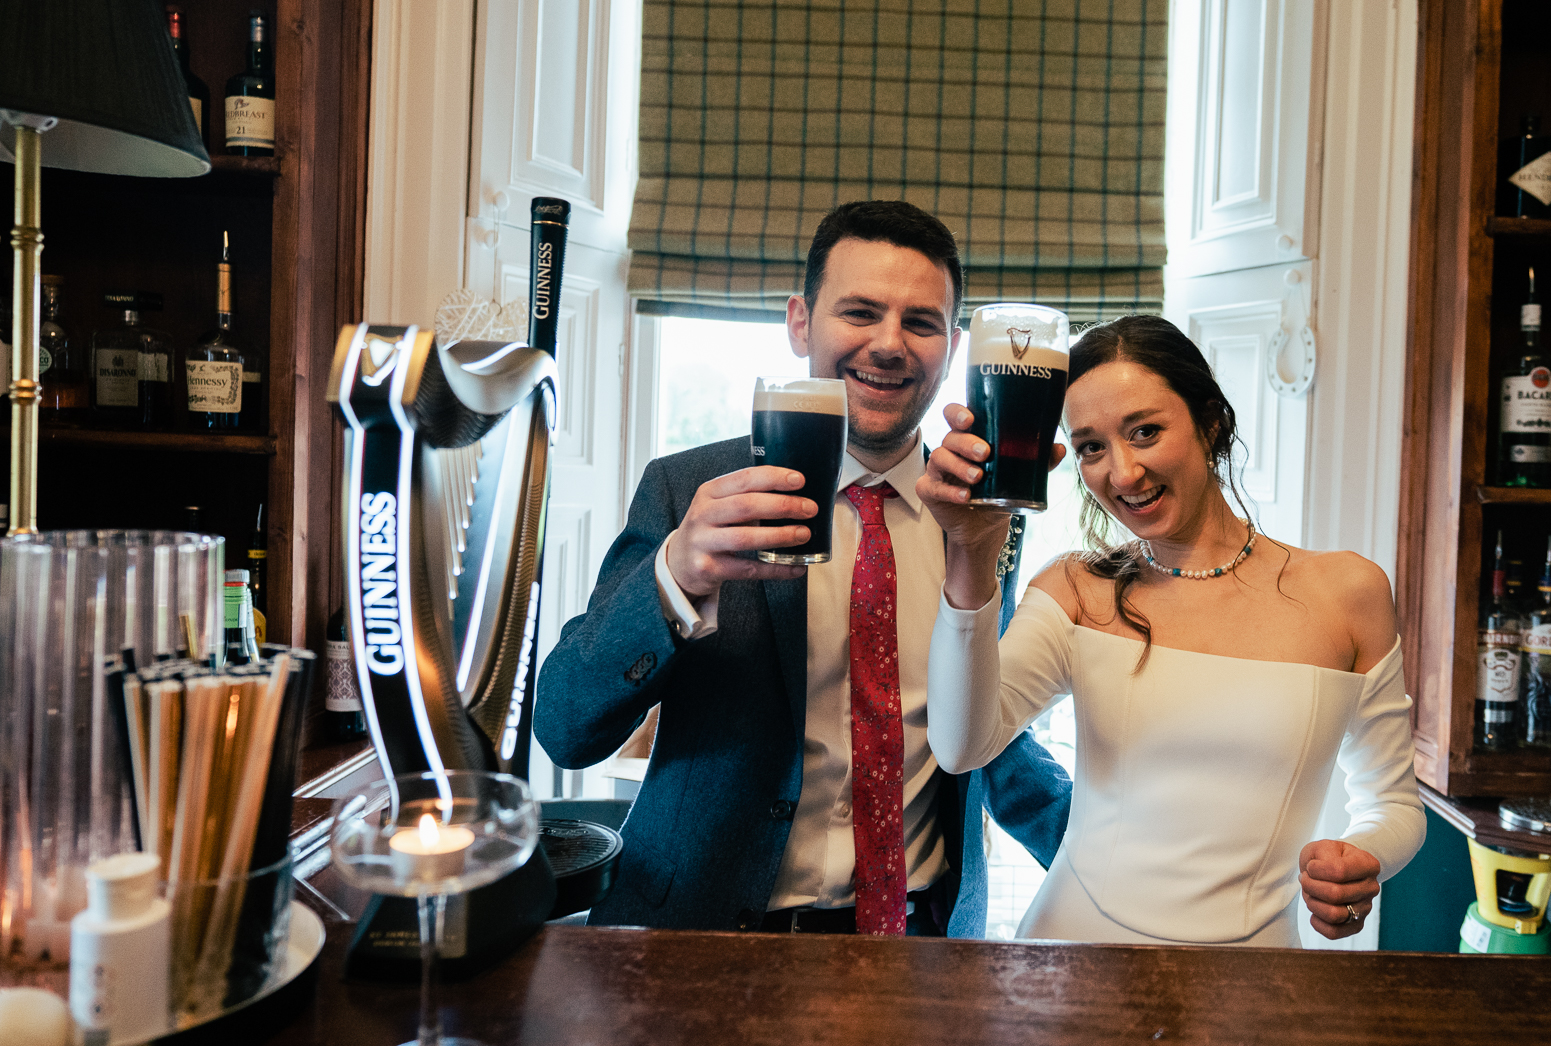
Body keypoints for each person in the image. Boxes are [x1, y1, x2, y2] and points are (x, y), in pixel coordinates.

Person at [535, 201, 1072, 936]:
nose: (889, 345)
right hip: (703, 941)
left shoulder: (983, 516)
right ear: (800, 323)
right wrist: (674, 575)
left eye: (920, 323)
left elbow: (985, 734)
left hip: (922, 949)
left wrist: (1119, 866)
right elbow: (566, 728)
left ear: (952, 346)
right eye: (859, 312)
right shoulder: (687, 489)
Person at [918, 314, 1423, 946]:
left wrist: (1362, 857)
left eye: (1146, 432)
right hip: (1067, 958)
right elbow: (962, 745)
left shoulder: (1349, 594)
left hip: (1252, 984)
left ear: (1211, 421)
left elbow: (1394, 805)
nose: (1123, 473)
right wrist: (969, 555)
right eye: (1091, 448)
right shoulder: (1076, 590)